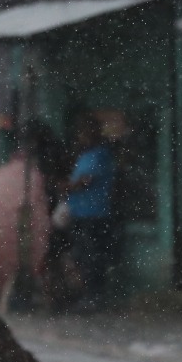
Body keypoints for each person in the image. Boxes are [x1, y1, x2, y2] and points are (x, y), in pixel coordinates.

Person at [65, 113, 118, 308]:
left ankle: (95, 296)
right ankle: (88, 295)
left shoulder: (100, 155)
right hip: (80, 214)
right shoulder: (84, 155)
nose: (81, 136)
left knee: (93, 257)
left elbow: (85, 181)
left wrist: (65, 186)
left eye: (84, 132)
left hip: (94, 214)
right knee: (82, 256)